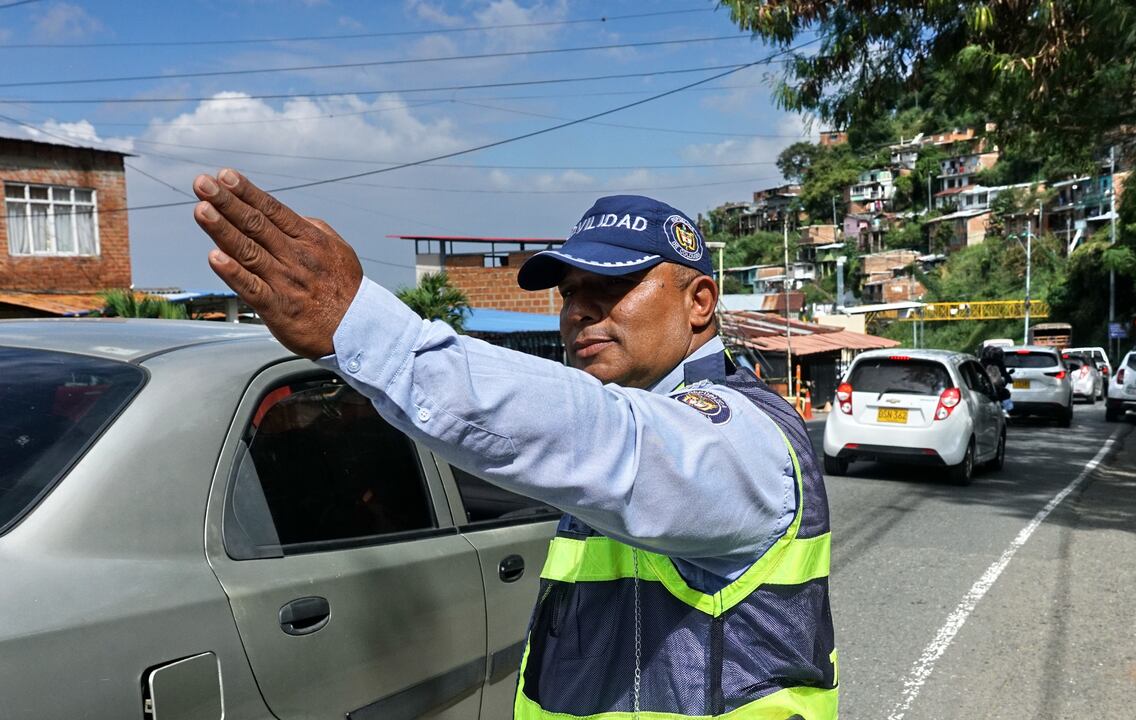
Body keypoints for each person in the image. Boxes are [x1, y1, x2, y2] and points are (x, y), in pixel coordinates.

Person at [190, 169, 838, 719]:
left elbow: (604, 437)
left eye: (611, 288)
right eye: (570, 294)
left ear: (699, 302)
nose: (579, 312)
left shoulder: (742, 435)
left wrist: (369, 331)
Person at [980, 345, 1014, 413]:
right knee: (1005, 393)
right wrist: (1009, 380)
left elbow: (1005, 374)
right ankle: (1006, 412)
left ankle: (1005, 412)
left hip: (985, 387)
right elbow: (1005, 374)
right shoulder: (999, 363)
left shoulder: (982, 362)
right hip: (988, 387)